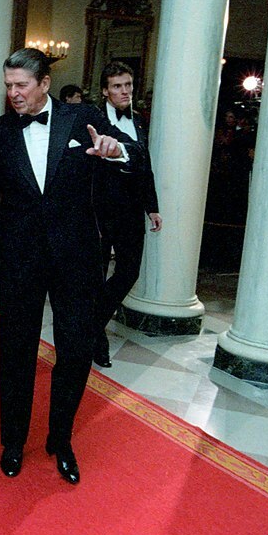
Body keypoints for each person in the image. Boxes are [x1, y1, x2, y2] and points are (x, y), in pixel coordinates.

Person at [0, 47, 142, 485]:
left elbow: (133, 157)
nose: (12, 93)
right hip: (20, 259)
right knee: (16, 350)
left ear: (45, 84)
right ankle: (13, 441)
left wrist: (115, 151)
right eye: (8, 85)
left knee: (75, 350)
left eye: (21, 85)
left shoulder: (82, 118)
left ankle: (61, 438)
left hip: (77, 259)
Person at [92, 61, 162, 368]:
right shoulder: (91, 120)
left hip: (132, 211)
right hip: (98, 212)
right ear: (105, 91)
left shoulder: (140, 121)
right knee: (95, 276)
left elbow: (144, 166)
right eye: (118, 86)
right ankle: (98, 339)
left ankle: (92, 322)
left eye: (128, 85)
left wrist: (152, 206)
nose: (125, 91)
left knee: (129, 272)